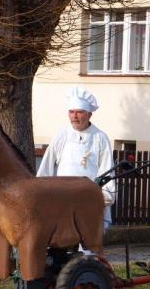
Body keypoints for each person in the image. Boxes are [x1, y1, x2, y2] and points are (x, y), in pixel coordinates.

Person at [37, 86, 115, 229]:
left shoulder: (100, 138)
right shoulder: (61, 136)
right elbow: (45, 169)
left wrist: (104, 199)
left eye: (79, 112)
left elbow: (107, 170)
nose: (74, 116)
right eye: (71, 112)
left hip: (88, 201)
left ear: (89, 114)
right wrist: (41, 193)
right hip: (62, 200)